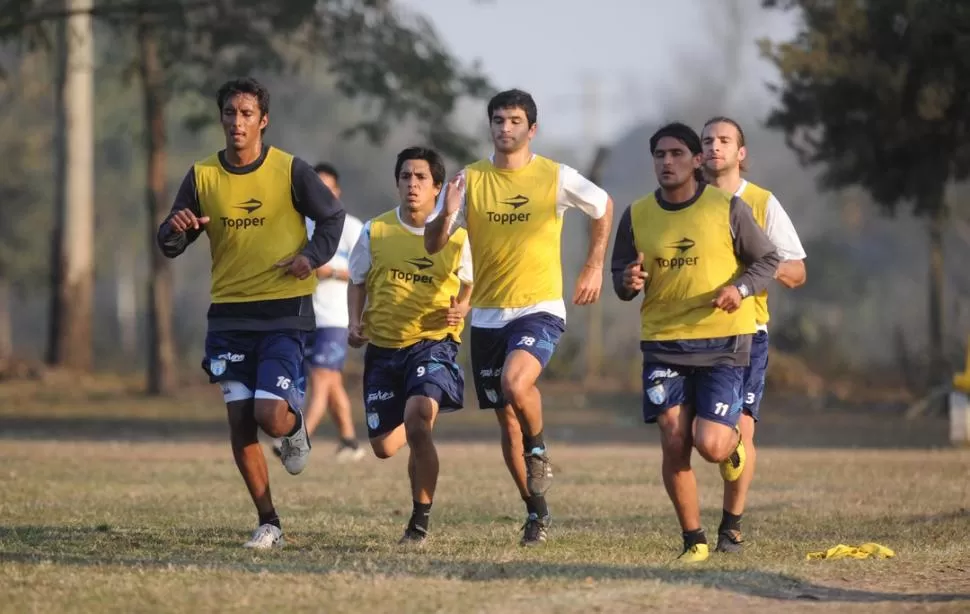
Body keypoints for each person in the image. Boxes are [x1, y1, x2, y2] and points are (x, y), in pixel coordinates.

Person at [156, 77, 345, 549]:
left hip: (284, 311)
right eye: (229, 113)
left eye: (246, 114)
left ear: (263, 120)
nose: (237, 122)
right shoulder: (202, 175)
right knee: (240, 423)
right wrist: (175, 230)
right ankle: (270, 522)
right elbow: (172, 240)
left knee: (269, 416)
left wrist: (310, 256)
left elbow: (333, 217)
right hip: (228, 317)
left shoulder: (289, 170)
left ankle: (294, 424)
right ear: (221, 118)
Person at [425, 89, 614, 546]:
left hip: (539, 307)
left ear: (532, 129)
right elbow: (432, 244)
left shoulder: (555, 175)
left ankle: (539, 448)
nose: (504, 128)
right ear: (489, 126)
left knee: (515, 383)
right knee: (506, 420)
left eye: (514, 121)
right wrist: (447, 215)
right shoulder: (468, 180)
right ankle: (537, 513)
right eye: (497, 120)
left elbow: (603, 206)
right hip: (488, 315)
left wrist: (592, 264)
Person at [610, 122, 780, 562]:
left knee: (711, 445)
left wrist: (739, 290)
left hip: (724, 343)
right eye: (660, 155)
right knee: (672, 438)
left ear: (696, 161)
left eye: (677, 154)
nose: (667, 162)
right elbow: (621, 278)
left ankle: (732, 446)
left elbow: (767, 261)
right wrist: (628, 281)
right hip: (664, 342)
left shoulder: (728, 208)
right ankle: (694, 540)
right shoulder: (637, 214)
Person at [347, 147, 473, 544]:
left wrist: (462, 310)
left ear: (438, 187)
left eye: (421, 178)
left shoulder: (458, 237)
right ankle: (415, 423)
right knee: (385, 446)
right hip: (383, 348)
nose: (412, 184)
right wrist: (355, 321)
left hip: (432, 343)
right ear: (397, 183)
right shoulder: (376, 230)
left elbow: (471, 284)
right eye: (406, 177)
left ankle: (419, 521)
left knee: (419, 417)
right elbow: (358, 280)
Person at [701, 116, 807, 554]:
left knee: (739, 432)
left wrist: (760, 267)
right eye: (707, 141)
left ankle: (732, 527)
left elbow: (798, 271)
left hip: (746, 332)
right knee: (699, 437)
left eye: (725, 141)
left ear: (741, 153)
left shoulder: (762, 203)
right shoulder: (685, 201)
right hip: (688, 333)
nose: (715, 147)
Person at [300, 162, 366, 462]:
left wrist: (331, 272)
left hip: (336, 318)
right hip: (305, 315)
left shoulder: (352, 227)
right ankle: (350, 441)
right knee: (332, 383)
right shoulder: (301, 225)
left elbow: (363, 274)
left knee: (321, 379)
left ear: (337, 191)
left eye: (328, 187)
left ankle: (299, 439)